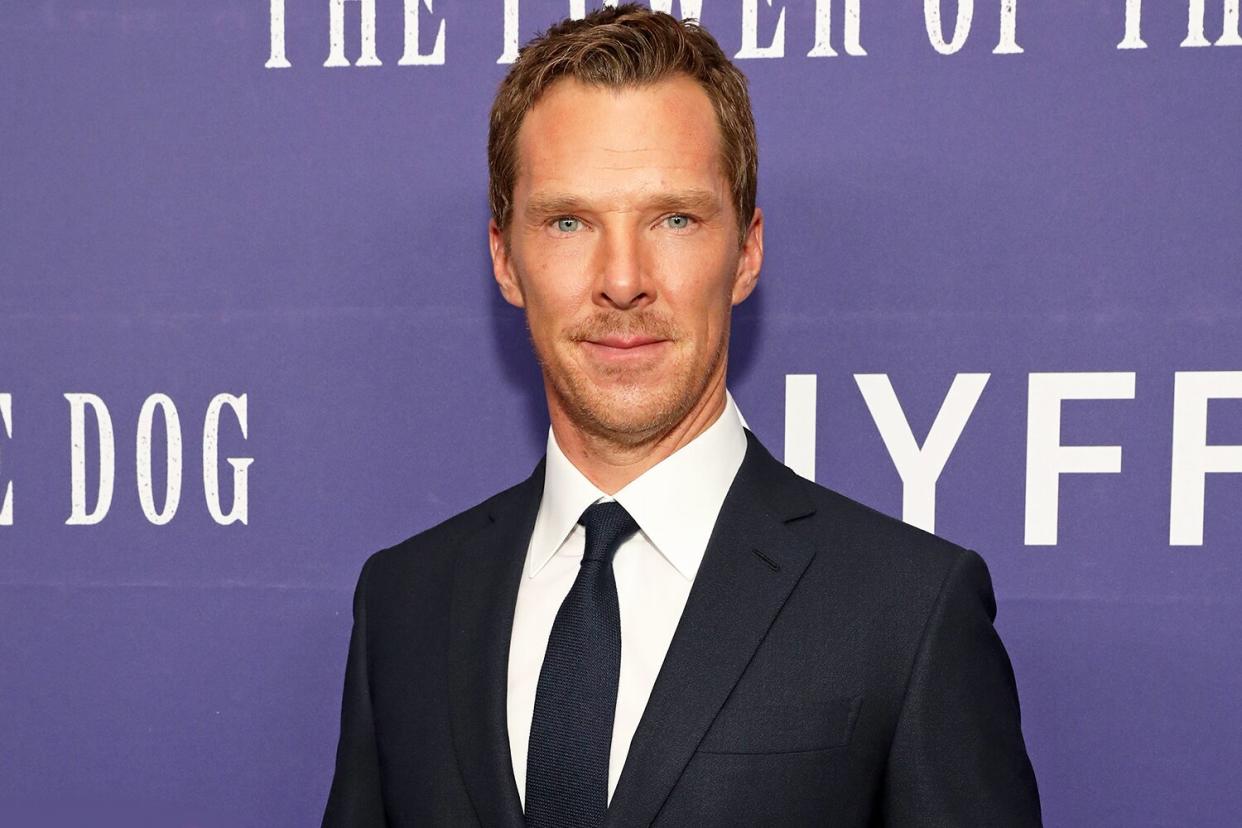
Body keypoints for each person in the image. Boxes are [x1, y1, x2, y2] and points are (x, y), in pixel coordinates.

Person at [322, 5, 1041, 826]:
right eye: (568, 221)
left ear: (747, 251)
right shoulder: (405, 603)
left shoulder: (907, 611)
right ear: (504, 258)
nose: (622, 279)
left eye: (674, 219)